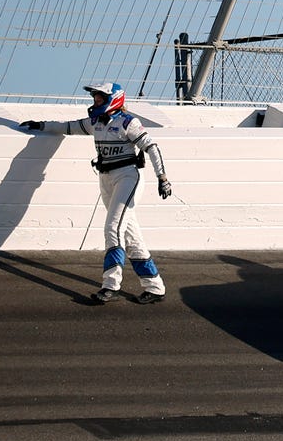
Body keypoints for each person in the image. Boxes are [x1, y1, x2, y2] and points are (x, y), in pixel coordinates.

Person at [20, 83, 172, 304]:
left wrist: (163, 178)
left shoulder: (128, 122)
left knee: (113, 228)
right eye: (95, 98)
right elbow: (68, 126)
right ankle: (155, 286)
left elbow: (152, 146)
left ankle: (111, 285)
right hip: (106, 179)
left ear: (114, 99)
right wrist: (41, 125)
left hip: (127, 178)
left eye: (100, 97)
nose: (96, 101)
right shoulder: (95, 123)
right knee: (130, 235)